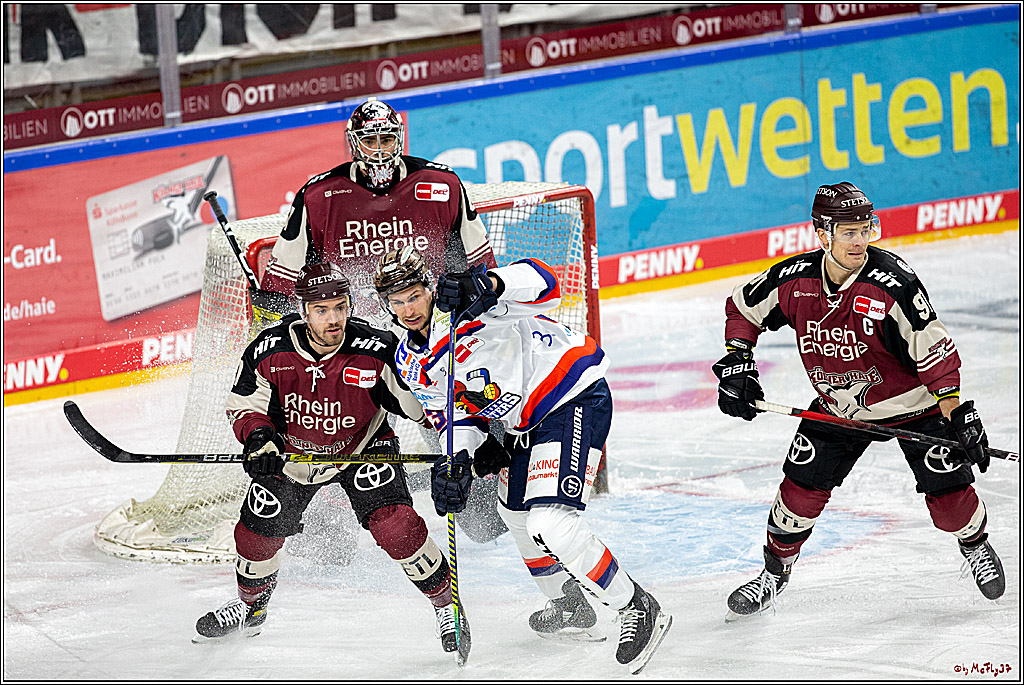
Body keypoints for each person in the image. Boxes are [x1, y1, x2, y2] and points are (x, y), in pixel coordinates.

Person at [373, 245, 673, 674]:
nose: (408, 309)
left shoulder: (474, 307)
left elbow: (547, 283)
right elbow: (452, 415)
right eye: (397, 301)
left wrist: (491, 283)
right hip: (524, 422)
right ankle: (569, 605)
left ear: (429, 289)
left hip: (571, 396)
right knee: (513, 513)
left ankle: (636, 606)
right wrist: (457, 458)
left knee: (550, 524)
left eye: (414, 295)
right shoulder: (408, 358)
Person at [713, 181, 1005, 620]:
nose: (859, 240)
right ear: (822, 233)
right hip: (839, 408)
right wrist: (737, 361)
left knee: (951, 506)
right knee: (797, 497)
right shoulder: (795, 280)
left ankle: (975, 544)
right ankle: (774, 574)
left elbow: (935, 355)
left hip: (914, 407)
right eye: (848, 231)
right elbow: (743, 309)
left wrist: (959, 415)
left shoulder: (894, 285)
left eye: (865, 229)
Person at [259, 96, 507, 549]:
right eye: (369, 140)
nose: (379, 148)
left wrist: (473, 314)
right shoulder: (319, 195)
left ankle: (488, 492)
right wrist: (275, 314)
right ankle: (326, 523)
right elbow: (282, 283)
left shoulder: (442, 184)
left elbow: (479, 271)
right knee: (328, 430)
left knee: (460, 448)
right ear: (354, 143)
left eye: (387, 138)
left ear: (400, 139)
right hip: (352, 346)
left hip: (426, 341)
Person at [194, 262, 470, 662]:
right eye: (321, 310)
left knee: (397, 526)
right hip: (291, 455)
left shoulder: (377, 349)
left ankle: (447, 606)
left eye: (340, 307)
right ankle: (251, 608)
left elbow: (421, 406)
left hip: (362, 450)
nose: (333, 318)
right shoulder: (270, 349)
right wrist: (258, 439)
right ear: (304, 311)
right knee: (255, 536)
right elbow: (246, 404)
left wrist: (457, 432)